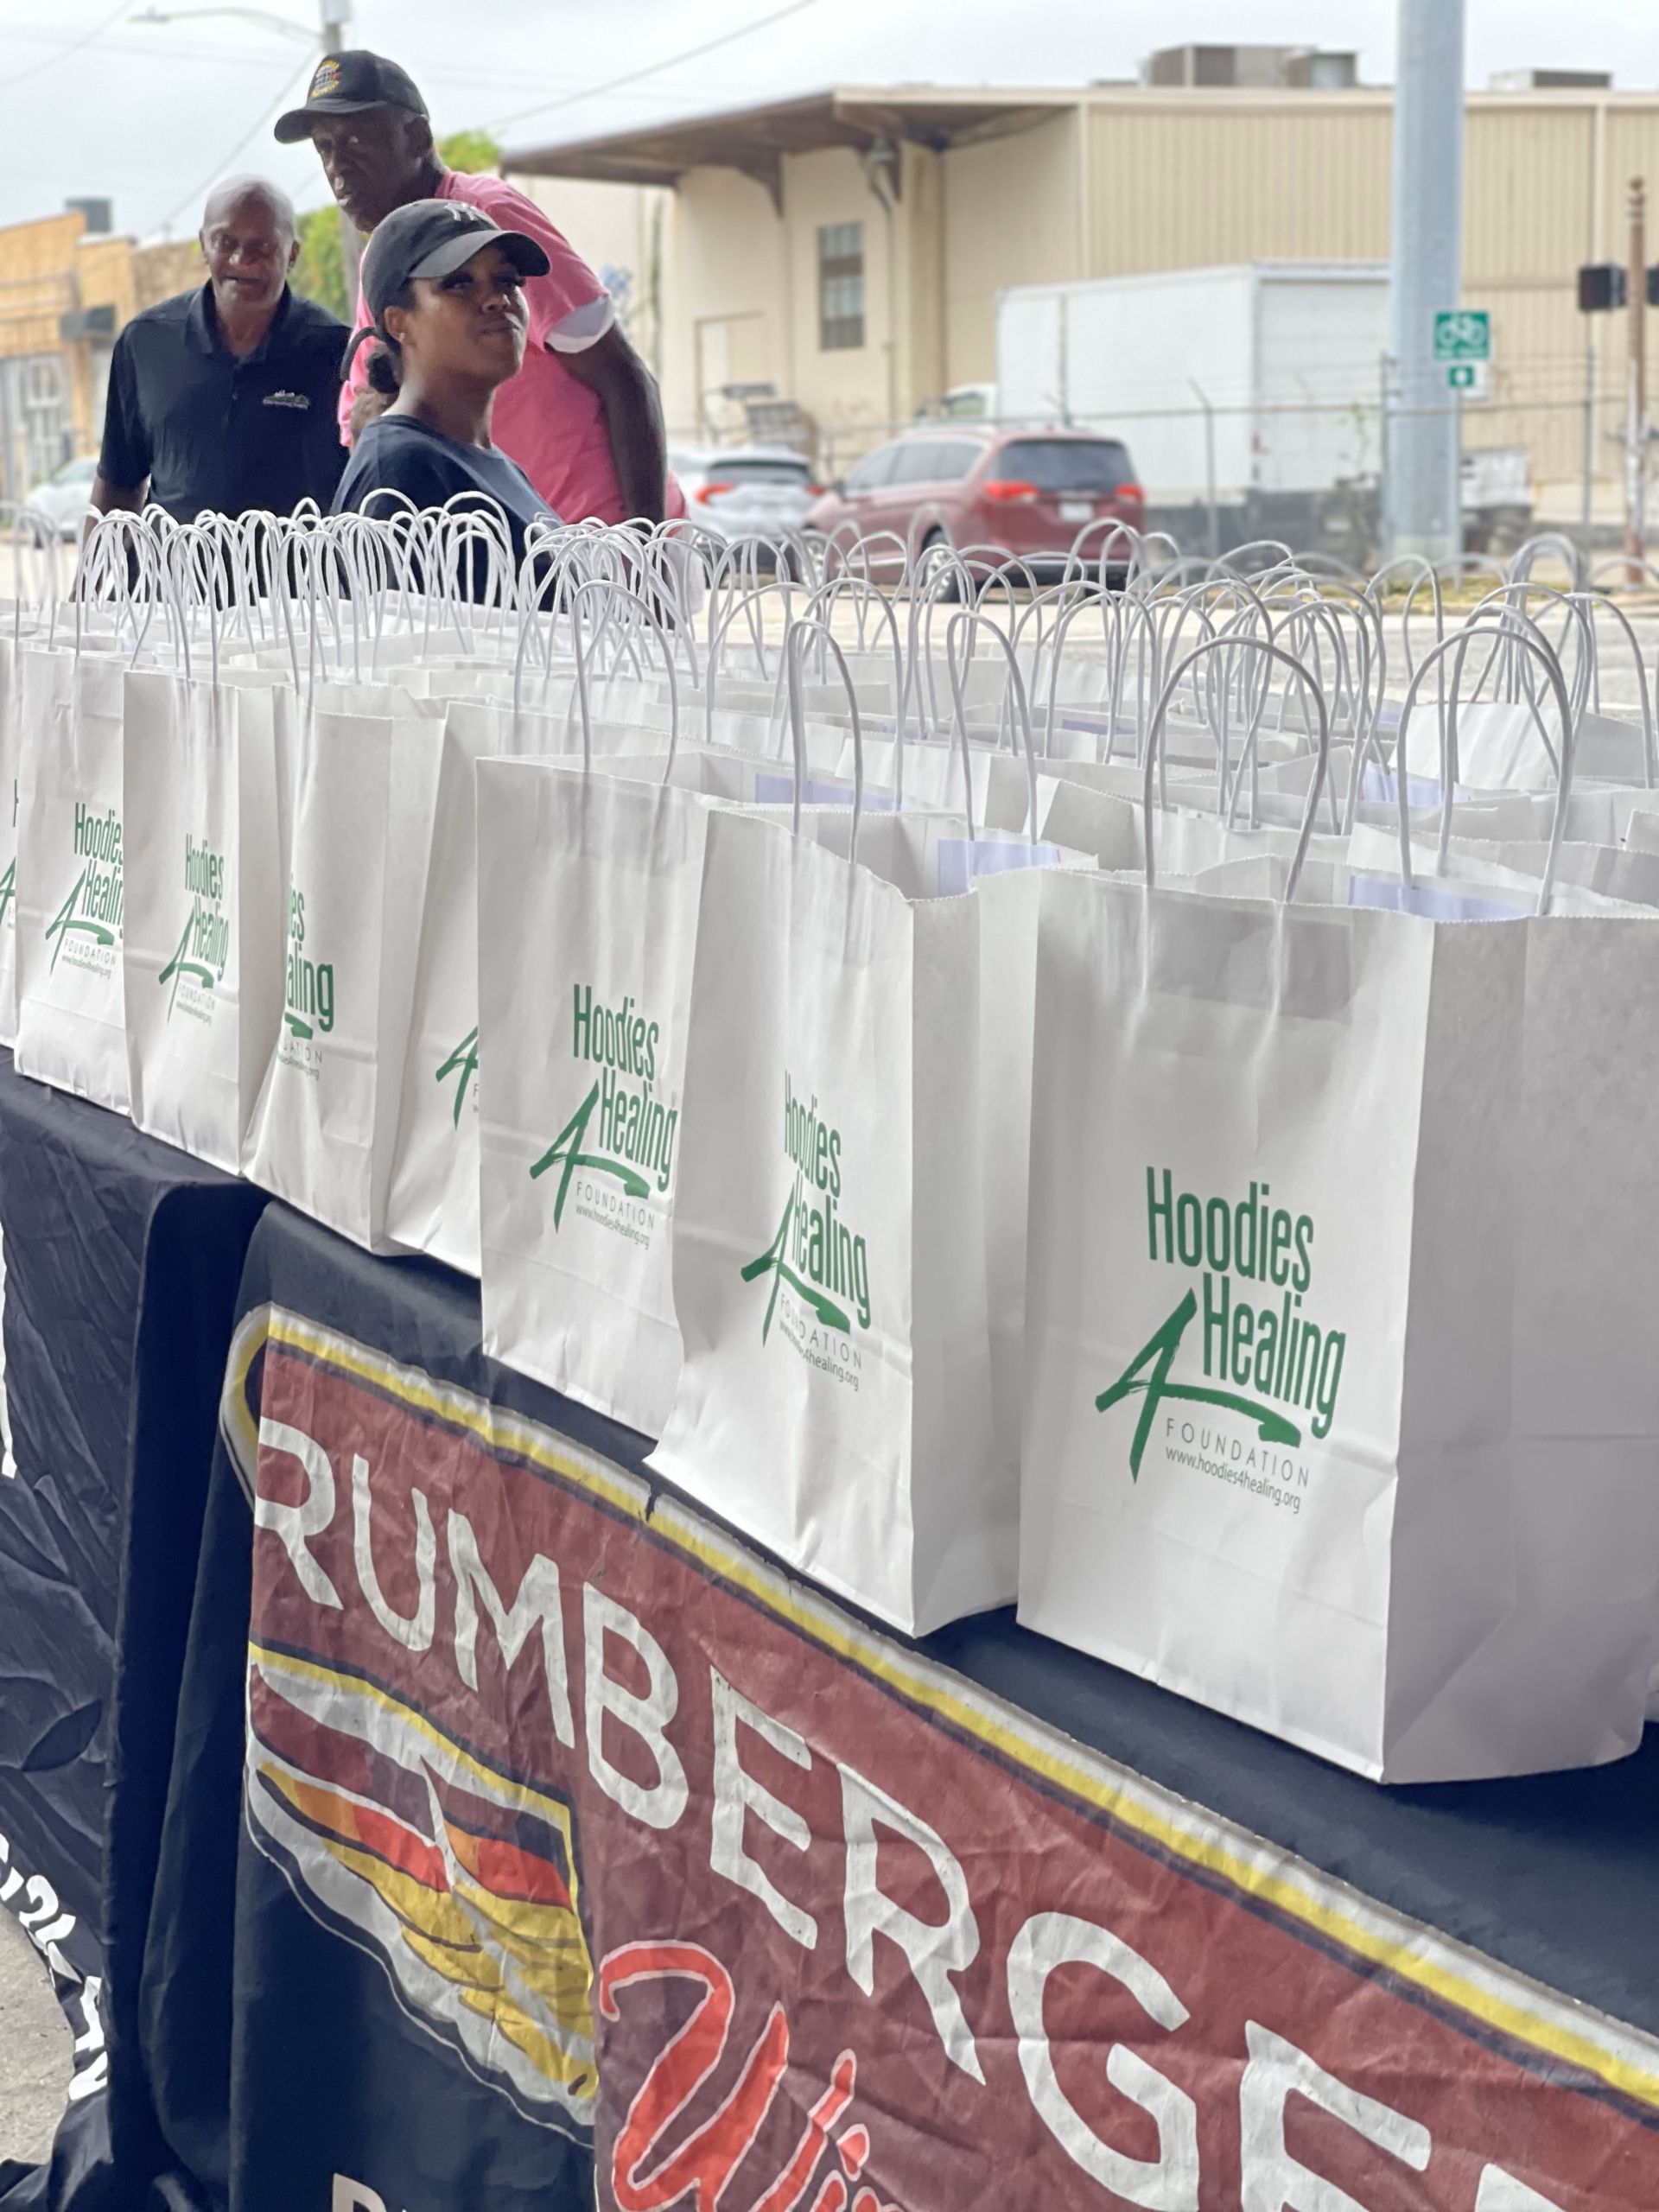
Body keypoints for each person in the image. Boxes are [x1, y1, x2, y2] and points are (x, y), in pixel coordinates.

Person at [276, 50, 677, 528]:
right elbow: (364, 422)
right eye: (325, 148)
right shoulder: (384, 261)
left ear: (417, 137)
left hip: (595, 537)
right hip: (502, 551)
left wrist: (647, 545)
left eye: (358, 140)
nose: (339, 168)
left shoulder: (484, 220)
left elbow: (623, 375)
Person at [93, 177, 348, 523]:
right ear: (203, 244)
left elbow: (355, 493)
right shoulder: (146, 342)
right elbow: (117, 483)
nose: (241, 260)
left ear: (292, 254)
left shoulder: (334, 350)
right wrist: (92, 574)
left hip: (292, 577)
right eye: (225, 242)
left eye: (262, 247)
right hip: (173, 576)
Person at [331, 198, 559, 574]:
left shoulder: (490, 462)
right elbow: (397, 632)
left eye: (507, 281)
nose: (497, 300)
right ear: (398, 323)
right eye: (459, 284)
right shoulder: (398, 470)